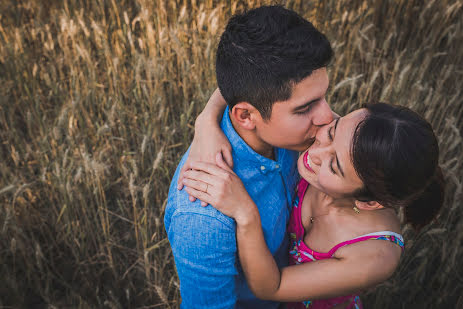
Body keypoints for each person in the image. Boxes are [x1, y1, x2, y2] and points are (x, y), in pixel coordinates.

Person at [182, 103, 445, 308]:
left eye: (333, 166)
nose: (315, 153)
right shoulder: (350, 143)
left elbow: (271, 288)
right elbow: (252, 78)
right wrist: (206, 121)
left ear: (369, 202)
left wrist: (245, 213)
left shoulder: (375, 255)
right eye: (331, 132)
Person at [164, 5, 335, 308]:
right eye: (305, 107)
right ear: (246, 116)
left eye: (324, 96)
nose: (328, 116)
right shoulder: (202, 217)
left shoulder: (293, 131)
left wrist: (205, 118)